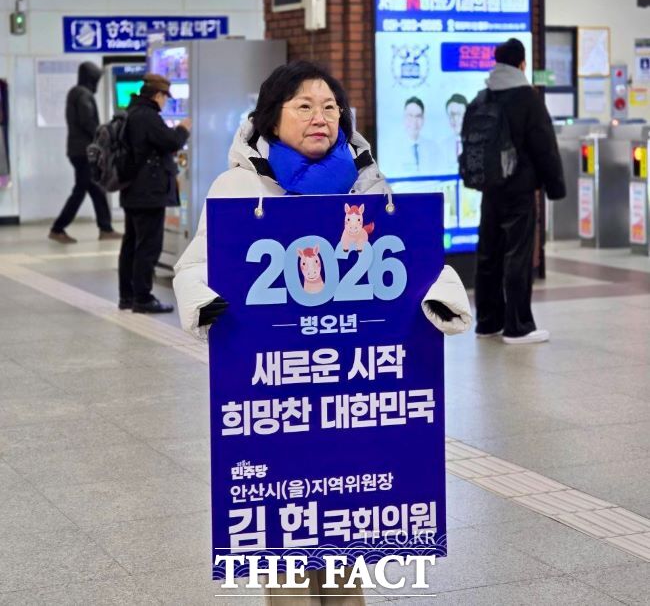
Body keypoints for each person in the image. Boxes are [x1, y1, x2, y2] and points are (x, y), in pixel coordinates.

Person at [173, 60, 472, 604]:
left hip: (348, 404)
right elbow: (194, 266)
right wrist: (205, 301)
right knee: (285, 553)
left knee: (345, 549)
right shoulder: (239, 185)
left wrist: (444, 295)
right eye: (304, 106)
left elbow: (413, 258)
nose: (320, 117)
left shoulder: (365, 181)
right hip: (278, 405)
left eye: (330, 106)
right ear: (272, 118)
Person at [474, 38, 565, 344]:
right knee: (518, 254)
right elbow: (544, 147)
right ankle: (517, 325)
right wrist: (555, 187)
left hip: (490, 188)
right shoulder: (527, 98)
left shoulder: (483, 96)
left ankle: (487, 322)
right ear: (522, 64)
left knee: (488, 253)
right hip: (520, 189)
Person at [118, 73, 190, 314]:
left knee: (131, 243)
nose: (165, 103)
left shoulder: (131, 112)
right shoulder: (148, 117)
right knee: (148, 245)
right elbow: (170, 142)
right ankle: (143, 298)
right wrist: (183, 129)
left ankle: (127, 296)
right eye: (164, 98)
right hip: (147, 191)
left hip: (131, 188)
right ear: (158, 95)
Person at [49, 61, 120, 244]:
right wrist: (104, 136)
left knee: (95, 189)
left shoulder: (76, 93)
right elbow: (87, 121)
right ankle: (58, 228)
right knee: (83, 190)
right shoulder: (83, 94)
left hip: (78, 150)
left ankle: (105, 228)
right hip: (84, 151)